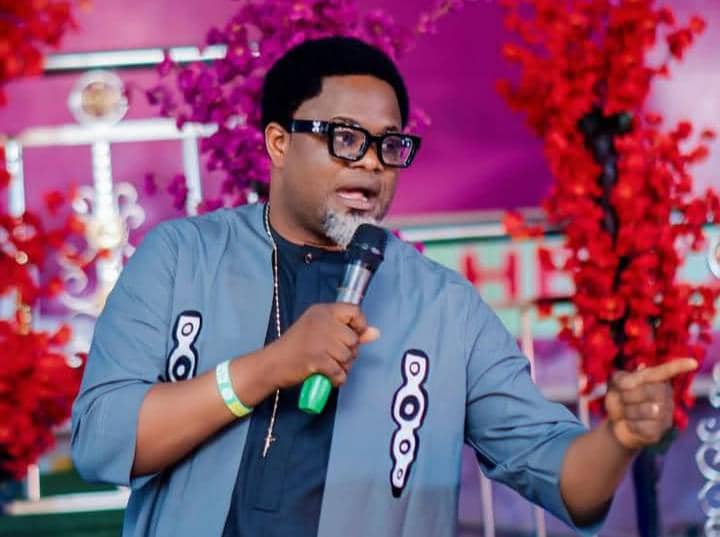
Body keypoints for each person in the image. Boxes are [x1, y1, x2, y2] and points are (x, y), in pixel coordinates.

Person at [71, 36, 696, 537]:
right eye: (345, 139)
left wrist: (618, 438)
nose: (371, 162)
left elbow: (567, 483)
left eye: (389, 145)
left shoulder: (444, 307)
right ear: (279, 143)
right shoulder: (182, 257)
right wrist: (268, 368)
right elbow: (103, 441)